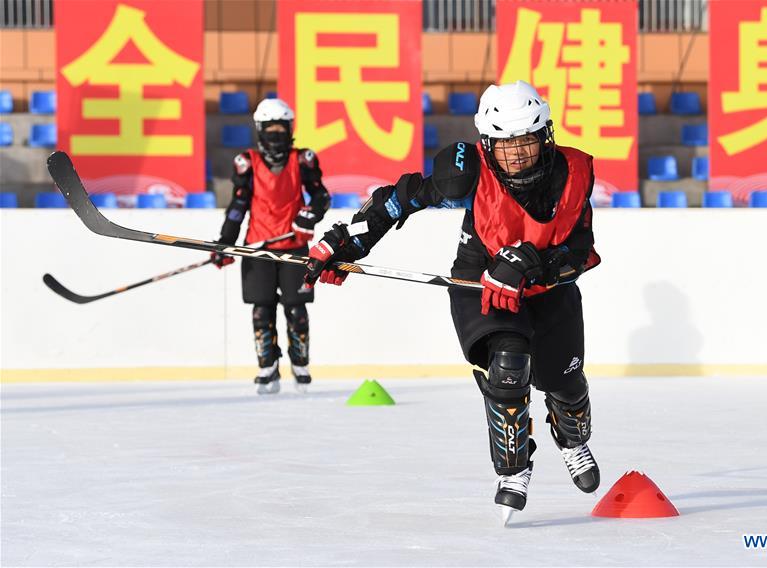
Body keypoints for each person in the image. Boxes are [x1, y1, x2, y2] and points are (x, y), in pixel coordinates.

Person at [303, 81, 600, 522]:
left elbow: (580, 252)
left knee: (566, 385)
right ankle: (513, 469)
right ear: (487, 145)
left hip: (549, 291)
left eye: (525, 142)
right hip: (481, 283)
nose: (516, 154)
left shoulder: (574, 174)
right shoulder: (467, 171)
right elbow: (400, 201)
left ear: (545, 136)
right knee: (508, 365)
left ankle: (573, 439)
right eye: (504, 145)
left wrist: (532, 264)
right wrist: (348, 243)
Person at [211, 98, 330, 395]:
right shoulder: (247, 162)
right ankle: (267, 367)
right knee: (261, 310)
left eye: (282, 128)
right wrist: (225, 243)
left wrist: (309, 215)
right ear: (260, 130)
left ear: (290, 129)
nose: (276, 134)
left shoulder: (303, 159)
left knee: (296, 309)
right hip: (258, 247)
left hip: (294, 247)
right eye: (270, 128)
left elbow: (321, 196)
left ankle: (300, 365)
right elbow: (238, 205)